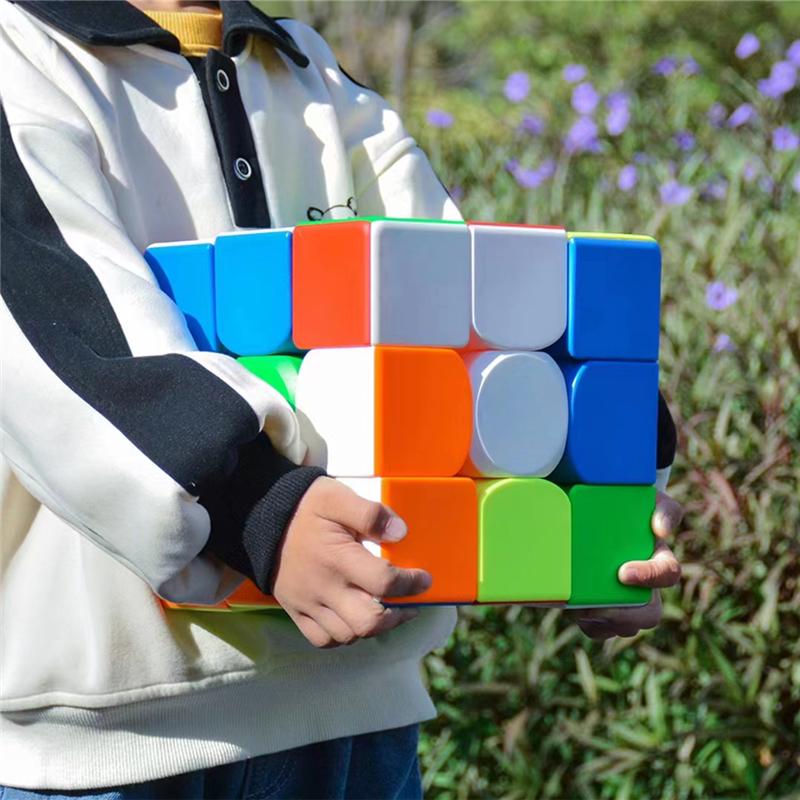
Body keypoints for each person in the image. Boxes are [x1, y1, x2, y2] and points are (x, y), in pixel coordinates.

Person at [0, 1, 684, 797]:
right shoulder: (24, 59)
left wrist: (603, 502)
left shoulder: (310, 73)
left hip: (362, 718)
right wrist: (258, 505)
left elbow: (478, 311)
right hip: (114, 735)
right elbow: (61, 339)